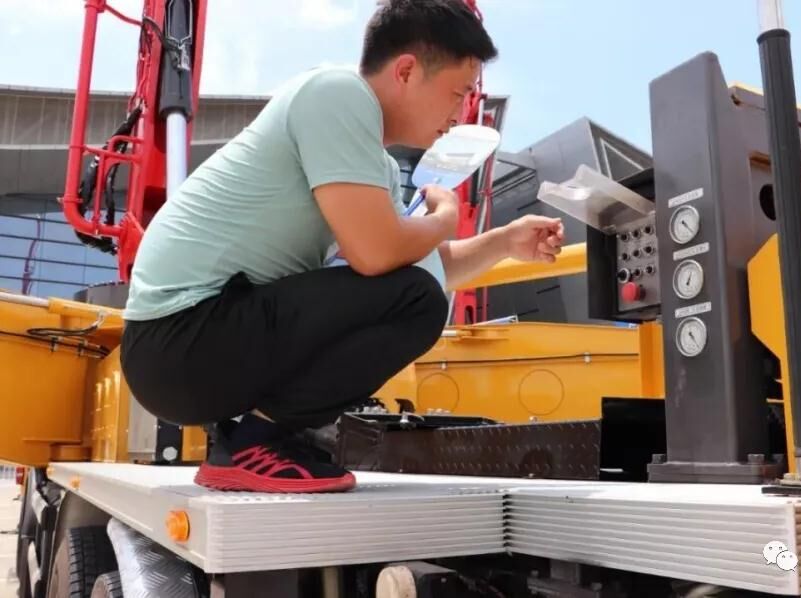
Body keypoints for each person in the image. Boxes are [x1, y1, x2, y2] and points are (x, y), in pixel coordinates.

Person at [119, 0, 565, 494]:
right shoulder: (336, 94)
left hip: (206, 340)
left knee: (415, 294)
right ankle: (253, 444)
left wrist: (504, 241)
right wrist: (445, 218)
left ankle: (257, 440)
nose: (458, 115)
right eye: (457, 93)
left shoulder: (376, 164)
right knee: (418, 301)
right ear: (406, 71)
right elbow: (379, 255)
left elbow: (407, 268)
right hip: (176, 340)